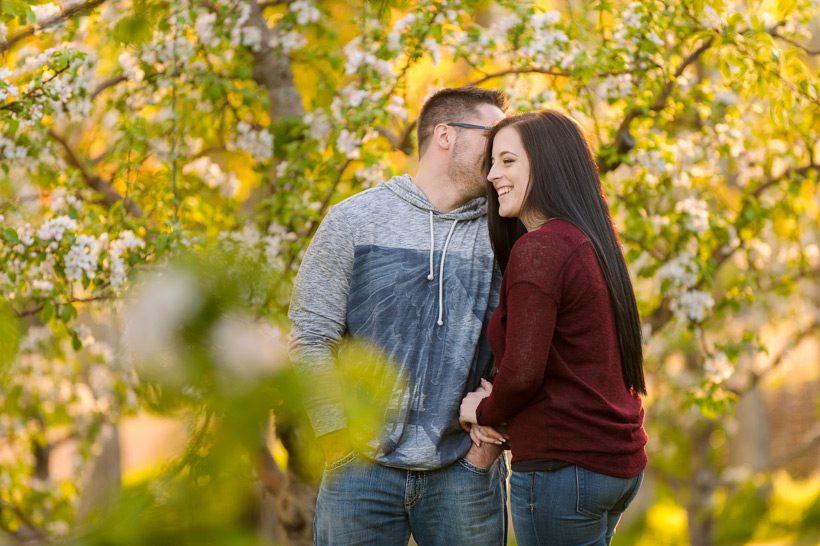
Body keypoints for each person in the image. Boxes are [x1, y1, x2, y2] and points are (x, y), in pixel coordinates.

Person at [289, 87, 509, 545]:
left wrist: (486, 450)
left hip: (464, 471)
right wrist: (336, 439)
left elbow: (525, 343)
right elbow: (312, 336)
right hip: (359, 470)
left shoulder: (504, 233)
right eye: (492, 135)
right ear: (445, 135)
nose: (503, 149)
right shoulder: (354, 220)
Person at [459, 109, 648, 546]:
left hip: (565, 470)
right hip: (613, 464)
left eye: (508, 161)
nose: (492, 175)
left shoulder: (540, 250)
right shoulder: (588, 242)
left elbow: (525, 372)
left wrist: (483, 411)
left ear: (547, 164)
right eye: (492, 162)